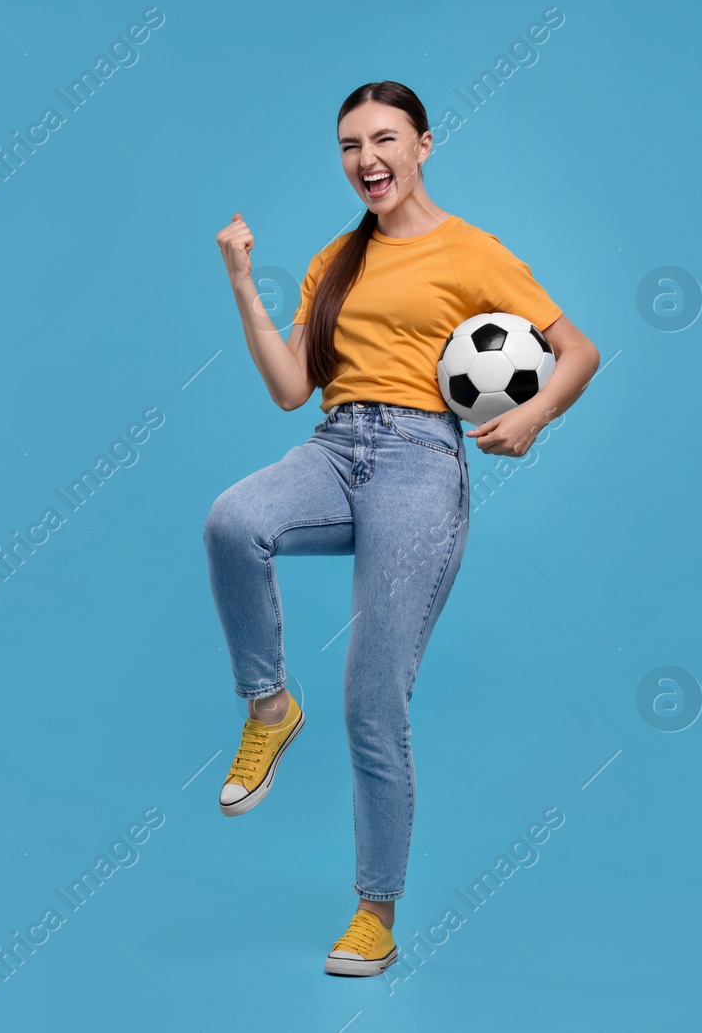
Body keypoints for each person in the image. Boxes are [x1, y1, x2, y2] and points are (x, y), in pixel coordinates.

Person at [204, 80, 599, 977]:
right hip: (335, 446)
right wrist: (239, 281)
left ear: (424, 143)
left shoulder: (472, 252)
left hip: (423, 460)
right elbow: (289, 386)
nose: (366, 159)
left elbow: (579, 351)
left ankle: (374, 914)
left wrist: (535, 418)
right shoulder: (333, 260)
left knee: (371, 700)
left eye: (383, 138)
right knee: (234, 521)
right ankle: (269, 704)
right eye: (349, 145)